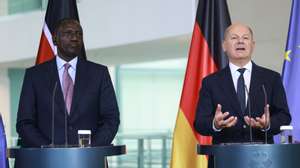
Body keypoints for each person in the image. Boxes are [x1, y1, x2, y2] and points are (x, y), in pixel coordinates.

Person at [16, 18, 120, 147]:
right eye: (68, 33)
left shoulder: (99, 74)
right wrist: (46, 148)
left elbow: (111, 119)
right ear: (55, 39)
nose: (75, 38)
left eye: (79, 34)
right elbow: (24, 122)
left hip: (89, 159)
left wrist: (91, 148)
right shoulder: (35, 76)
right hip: (46, 160)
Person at [194, 23, 291, 144]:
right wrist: (215, 124)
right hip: (224, 158)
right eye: (234, 38)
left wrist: (268, 124)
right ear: (224, 46)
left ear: (253, 45)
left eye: (245, 38)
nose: (240, 41)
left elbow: (284, 116)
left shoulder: (272, 78)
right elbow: (199, 122)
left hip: (263, 158)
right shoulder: (211, 82)